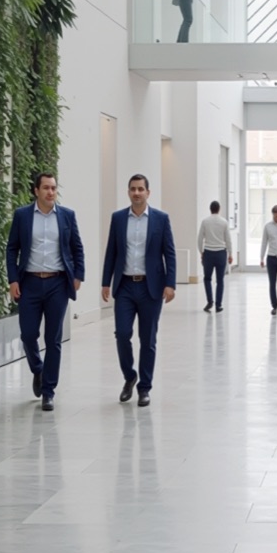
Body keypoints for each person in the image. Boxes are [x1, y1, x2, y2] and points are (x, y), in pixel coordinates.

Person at [4, 169, 83, 411]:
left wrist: (78, 275)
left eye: (54, 187)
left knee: (53, 338)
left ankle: (48, 391)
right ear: (36, 190)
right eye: (46, 188)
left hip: (58, 283)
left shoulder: (67, 216)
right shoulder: (23, 216)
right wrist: (13, 279)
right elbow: (11, 249)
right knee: (28, 335)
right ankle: (38, 370)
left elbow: (77, 247)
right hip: (29, 282)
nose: (51, 192)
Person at [101, 173, 176, 405]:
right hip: (124, 286)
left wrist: (170, 284)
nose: (136, 193)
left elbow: (169, 253)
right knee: (122, 334)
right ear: (128, 192)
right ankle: (129, 377)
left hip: (150, 288)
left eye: (140, 189)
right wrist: (106, 281)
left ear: (148, 192)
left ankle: (144, 387)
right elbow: (111, 251)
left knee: (148, 338)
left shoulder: (160, 219)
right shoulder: (118, 218)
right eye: (133, 189)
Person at [197, 200, 234, 311]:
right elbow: (228, 239)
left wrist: (201, 252)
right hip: (221, 253)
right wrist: (230, 254)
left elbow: (199, 238)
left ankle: (210, 301)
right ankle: (218, 305)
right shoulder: (224, 222)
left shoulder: (205, 221)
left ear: (210, 209)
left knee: (207, 278)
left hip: (208, 253)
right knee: (220, 280)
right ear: (219, 209)